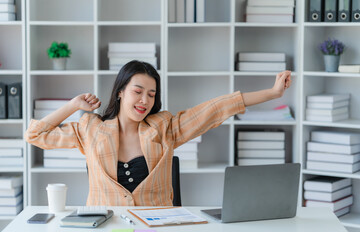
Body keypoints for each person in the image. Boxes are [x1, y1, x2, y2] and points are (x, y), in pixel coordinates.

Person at [25, 60, 292, 206]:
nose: (144, 100)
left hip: (158, 226)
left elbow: (216, 108)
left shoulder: (164, 127)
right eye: (137, 91)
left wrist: (273, 93)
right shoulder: (91, 128)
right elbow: (35, 135)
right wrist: (73, 106)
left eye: (151, 95)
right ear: (120, 92)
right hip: (106, 225)